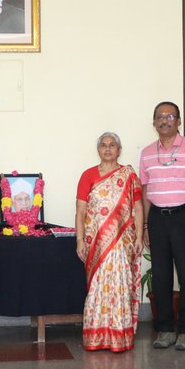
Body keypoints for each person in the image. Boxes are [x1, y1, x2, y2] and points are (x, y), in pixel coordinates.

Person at [140, 101, 185, 351]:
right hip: (157, 217)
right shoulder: (147, 153)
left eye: (170, 116)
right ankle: (165, 329)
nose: (164, 120)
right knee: (161, 274)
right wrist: (146, 225)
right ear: (154, 122)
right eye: (160, 117)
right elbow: (146, 191)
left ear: (178, 121)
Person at [76, 132, 144, 352]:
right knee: (96, 288)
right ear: (98, 149)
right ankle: (96, 335)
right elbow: (80, 211)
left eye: (112, 145)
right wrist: (79, 240)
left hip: (123, 242)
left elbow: (138, 208)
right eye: (103, 145)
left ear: (119, 149)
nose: (107, 149)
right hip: (95, 242)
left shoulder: (129, 175)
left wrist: (140, 238)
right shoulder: (87, 175)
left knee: (120, 284)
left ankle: (119, 336)